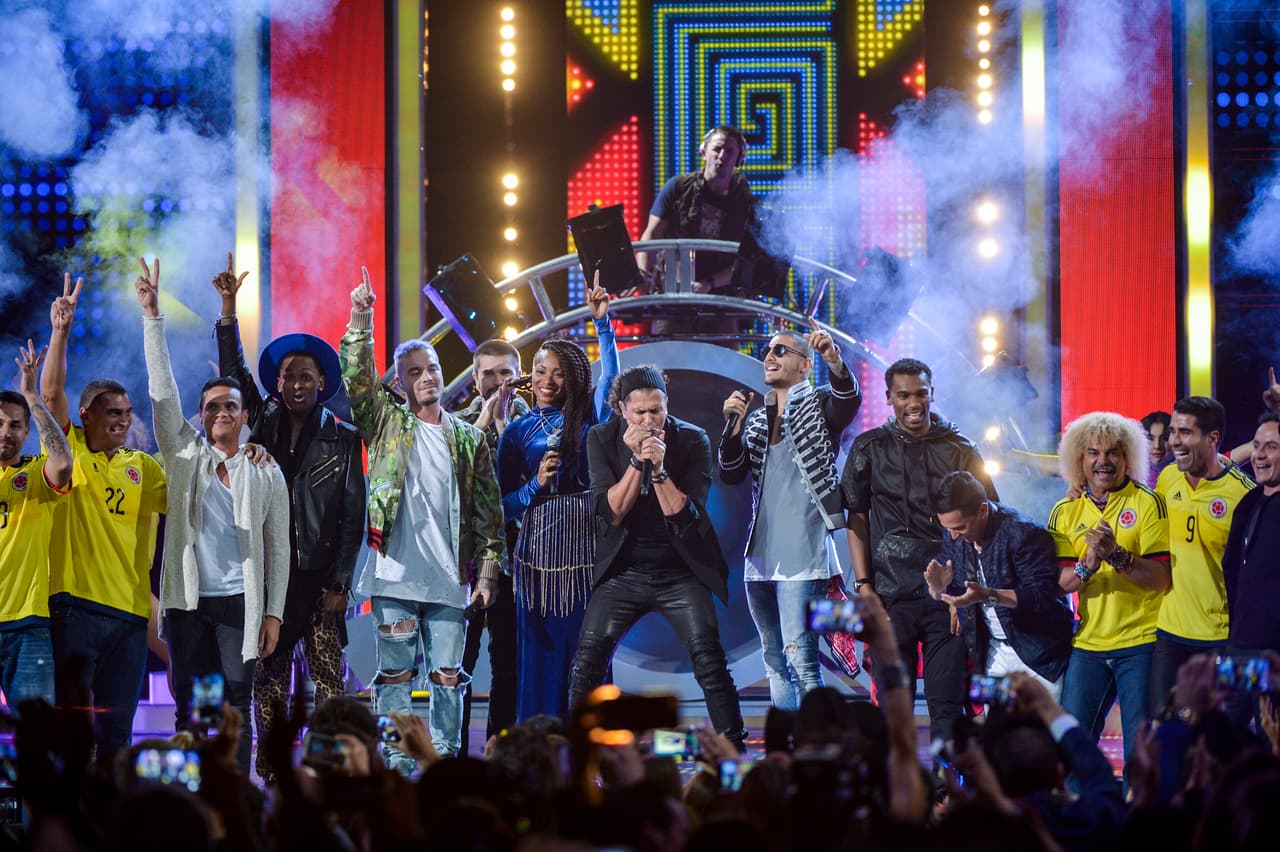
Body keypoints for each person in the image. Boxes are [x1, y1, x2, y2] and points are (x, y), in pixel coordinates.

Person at [210, 252, 367, 778]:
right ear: (276, 385)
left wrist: (342, 582)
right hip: (272, 581)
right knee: (269, 678)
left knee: (328, 682)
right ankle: (273, 771)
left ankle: (328, 768)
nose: (296, 384)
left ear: (322, 383)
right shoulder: (265, 423)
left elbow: (352, 515)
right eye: (287, 377)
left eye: (306, 377)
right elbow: (232, 373)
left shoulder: (343, 438)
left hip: (321, 580)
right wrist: (228, 311)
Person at [340, 267, 504, 765]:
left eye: (431, 367)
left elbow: (488, 519)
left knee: (449, 677)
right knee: (394, 677)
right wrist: (361, 318)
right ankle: (394, 761)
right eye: (414, 371)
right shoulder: (386, 423)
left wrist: (489, 576)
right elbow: (357, 380)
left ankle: (445, 761)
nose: (427, 376)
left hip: (450, 581)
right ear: (401, 381)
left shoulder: (469, 440)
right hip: (394, 577)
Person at [136, 256, 291, 773]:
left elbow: (278, 550)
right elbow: (162, 393)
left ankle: (236, 796)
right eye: (211, 408)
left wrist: (271, 613)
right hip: (191, 606)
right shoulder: (183, 454)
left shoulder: (264, 470)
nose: (221, 413)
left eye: (230, 406)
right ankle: (195, 798)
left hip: (240, 606)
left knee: (237, 706)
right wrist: (152, 317)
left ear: (246, 414)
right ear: (201, 417)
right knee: (196, 709)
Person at [567, 366, 746, 742]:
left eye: (657, 410)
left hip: (681, 571)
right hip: (623, 571)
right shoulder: (601, 438)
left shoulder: (693, 439)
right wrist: (636, 463)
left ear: (667, 404)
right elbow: (611, 512)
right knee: (586, 666)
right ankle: (578, 755)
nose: (650, 420)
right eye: (640, 413)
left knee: (709, 662)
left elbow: (686, 517)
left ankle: (733, 751)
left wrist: (660, 470)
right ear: (621, 410)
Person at [40, 273, 167, 758]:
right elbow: (51, 399)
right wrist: (60, 332)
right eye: (111, 412)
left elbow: (194, 499)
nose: (122, 420)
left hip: (131, 619)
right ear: (86, 416)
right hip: (76, 611)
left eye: (128, 412)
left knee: (116, 738)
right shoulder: (70, 453)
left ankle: (112, 826)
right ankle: (68, 826)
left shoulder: (146, 469)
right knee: (71, 737)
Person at [841, 357, 996, 744]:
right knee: (894, 706)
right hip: (890, 598)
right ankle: (898, 794)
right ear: (889, 397)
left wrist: (967, 589)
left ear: (932, 394)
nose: (914, 403)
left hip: (948, 601)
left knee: (948, 704)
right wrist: (864, 588)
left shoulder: (962, 448)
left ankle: (947, 794)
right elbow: (856, 520)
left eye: (921, 394)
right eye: (904, 395)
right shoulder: (868, 448)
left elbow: (986, 519)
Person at [719, 327, 861, 708]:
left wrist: (834, 359)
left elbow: (847, 401)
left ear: (804, 366)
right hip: (761, 556)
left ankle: (812, 750)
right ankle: (785, 747)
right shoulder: (756, 421)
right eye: (769, 349)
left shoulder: (819, 405)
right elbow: (731, 473)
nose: (770, 355)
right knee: (774, 660)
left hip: (804, 555)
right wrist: (731, 428)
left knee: (802, 659)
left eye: (782, 350)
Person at [497, 274, 617, 722]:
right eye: (541, 370)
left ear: (573, 378)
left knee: (588, 659)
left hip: (587, 557)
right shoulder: (517, 430)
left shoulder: (591, 418)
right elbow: (500, 505)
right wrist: (534, 487)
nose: (548, 379)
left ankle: (592, 750)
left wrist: (603, 326)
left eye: (559, 372)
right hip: (536, 563)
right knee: (540, 662)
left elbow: (611, 381)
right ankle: (540, 752)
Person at [1048, 412, 1170, 767]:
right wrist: (1088, 565)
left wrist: (1116, 555)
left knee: (1142, 752)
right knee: (1071, 744)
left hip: (1142, 643)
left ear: (1127, 457)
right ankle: (1080, 816)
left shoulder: (1148, 502)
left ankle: (1139, 819)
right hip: (1087, 645)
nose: (1103, 461)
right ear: (1079, 459)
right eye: (1093, 453)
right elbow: (1058, 584)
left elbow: (1161, 579)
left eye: (1113, 453)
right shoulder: (1063, 511)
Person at [925, 471, 1073, 698]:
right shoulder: (953, 533)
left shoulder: (1023, 533)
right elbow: (956, 589)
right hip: (992, 655)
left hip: (1039, 657)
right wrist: (939, 589)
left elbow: (1041, 596)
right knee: (996, 732)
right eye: (948, 529)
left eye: (960, 527)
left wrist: (989, 595)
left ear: (983, 510)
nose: (953, 535)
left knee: (1042, 731)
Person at [1148, 396, 1255, 710]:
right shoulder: (1168, 479)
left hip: (1219, 637)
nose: (1174, 441)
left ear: (1212, 439)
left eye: (1185, 432)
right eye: (1173, 431)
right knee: (1162, 731)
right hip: (1170, 633)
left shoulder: (1242, 494)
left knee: (1218, 738)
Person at [454, 338, 526, 748]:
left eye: (506, 373)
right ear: (475, 376)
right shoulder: (456, 424)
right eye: (489, 374)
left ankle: (502, 749)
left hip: (519, 563)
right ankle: (456, 753)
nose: (498, 382)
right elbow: (444, 485)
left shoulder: (536, 422)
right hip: (466, 565)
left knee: (508, 665)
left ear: (519, 374)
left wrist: (506, 430)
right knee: (459, 662)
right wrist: (482, 425)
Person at [0, 341, 72, 710]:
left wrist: (31, 395)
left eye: (15, 424)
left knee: (38, 743)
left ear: (28, 431)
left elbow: (61, 461)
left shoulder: (33, 475)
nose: (5, 432)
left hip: (27, 625)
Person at [638, 125, 754, 295]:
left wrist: (709, 284)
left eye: (729, 151)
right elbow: (652, 236)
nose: (722, 156)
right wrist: (643, 274)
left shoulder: (744, 202)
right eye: (717, 149)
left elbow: (747, 259)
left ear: (739, 159)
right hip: (674, 291)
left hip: (723, 299)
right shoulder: (677, 188)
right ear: (704, 152)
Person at [1223, 412, 1280, 657]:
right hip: (1239, 644)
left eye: (1272, 447)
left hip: (1274, 652)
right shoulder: (1250, 501)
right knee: (1228, 697)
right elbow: (1218, 462)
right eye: (1256, 446)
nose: (1259, 455)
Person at [1140, 411, 1173, 489]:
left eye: (1164, 438)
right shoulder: (1131, 475)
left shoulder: (1187, 475)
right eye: (1150, 439)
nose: (1157, 446)